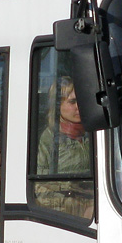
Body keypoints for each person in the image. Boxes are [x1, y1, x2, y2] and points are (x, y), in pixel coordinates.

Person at [35, 76, 93, 218]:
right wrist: (73, 204)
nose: (79, 107)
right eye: (72, 102)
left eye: (82, 100)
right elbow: (37, 188)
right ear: (57, 105)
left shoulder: (96, 134)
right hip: (64, 210)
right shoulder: (47, 139)